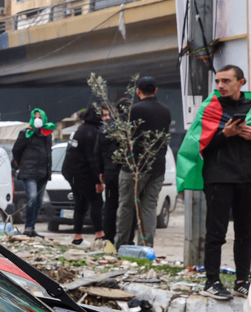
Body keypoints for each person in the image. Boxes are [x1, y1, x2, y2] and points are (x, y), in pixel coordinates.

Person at [177, 66, 251, 300]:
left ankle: (241, 281)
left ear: (240, 82)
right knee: (216, 233)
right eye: (218, 81)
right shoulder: (209, 107)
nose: (220, 85)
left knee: (246, 234)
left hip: (249, 179)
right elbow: (198, 146)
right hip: (218, 179)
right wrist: (225, 135)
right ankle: (212, 281)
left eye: (226, 81)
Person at [116, 76, 172, 248]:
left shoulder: (134, 111)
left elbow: (120, 136)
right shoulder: (166, 111)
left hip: (134, 168)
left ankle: (122, 245)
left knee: (126, 206)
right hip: (157, 167)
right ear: (156, 90)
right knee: (149, 208)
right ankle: (145, 248)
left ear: (138, 91)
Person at [63, 105, 105, 245]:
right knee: (96, 201)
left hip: (70, 172)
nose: (106, 118)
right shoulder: (91, 133)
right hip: (81, 173)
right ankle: (99, 234)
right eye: (103, 115)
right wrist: (97, 181)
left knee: (80, 203)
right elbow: (92, 159)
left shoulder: (80, 129)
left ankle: (77, 237)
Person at [12, 108, 53, 237]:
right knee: (32, 198)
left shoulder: (47, 134)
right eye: (35, 117)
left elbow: (48, 153)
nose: (38, 120)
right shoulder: (26, 133)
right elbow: (16, 150)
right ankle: (28, 227)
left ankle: (32, 227)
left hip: (43, 172)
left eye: (40, 117)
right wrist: (21, 164)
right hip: (29, 172)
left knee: (39, 201)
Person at [96, 102, 124, 244]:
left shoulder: (104, 130)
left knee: (110, 205)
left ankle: (109, 237)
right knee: (124, 206)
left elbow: (97, 153)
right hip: (123, 172)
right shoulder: (125, 129)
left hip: (109, 172)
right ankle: (124, 239)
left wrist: (101, 172)